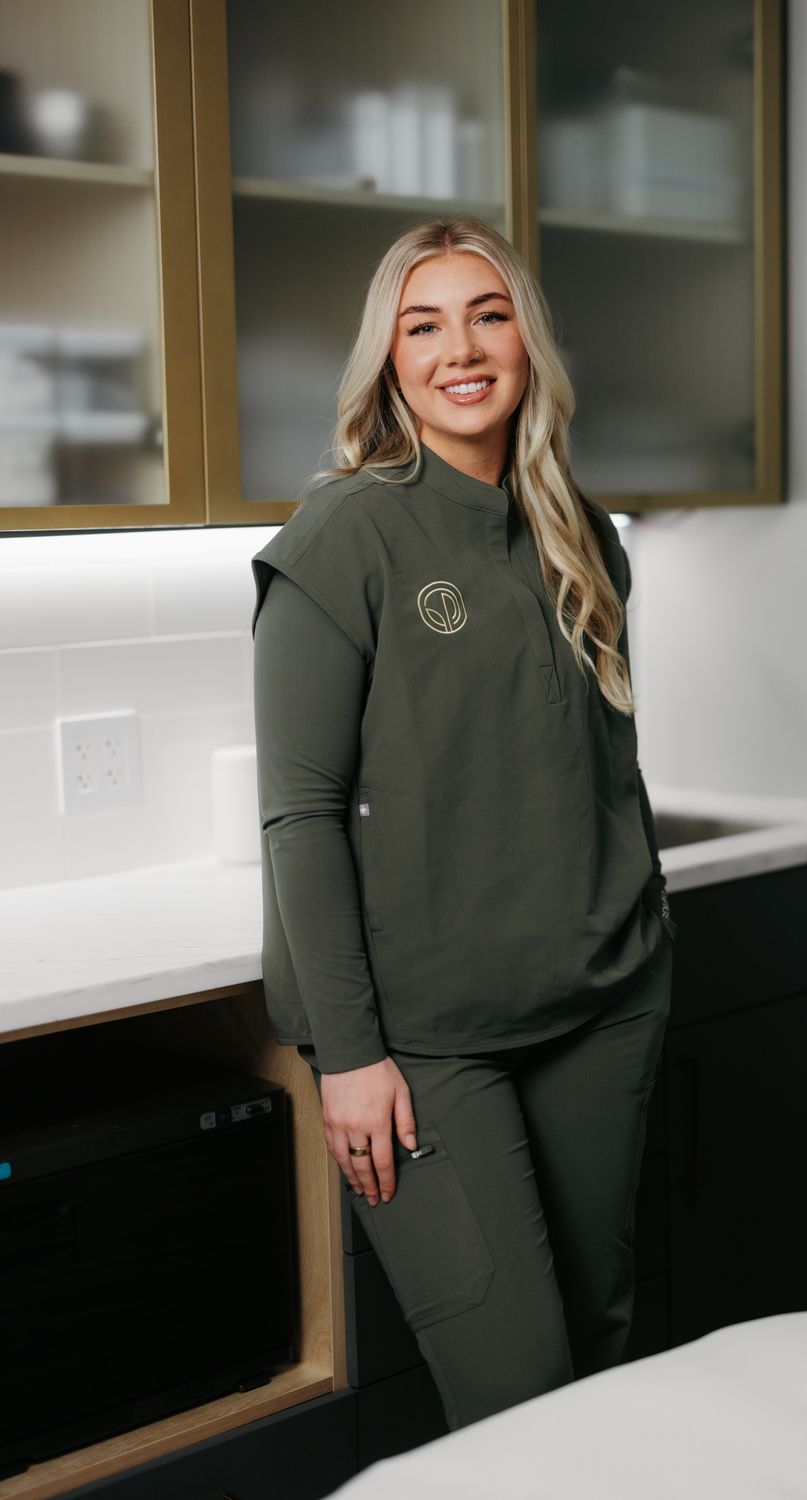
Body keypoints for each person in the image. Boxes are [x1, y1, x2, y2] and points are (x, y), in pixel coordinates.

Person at [250, 215, 678, 1432]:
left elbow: (603, 763)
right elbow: (302, 816)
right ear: (387, 360)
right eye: (422, 324)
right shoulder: (346, 538)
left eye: (487, 315)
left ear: (526, 341)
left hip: (601, 1005)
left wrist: (645, 931)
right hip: (428, 1044)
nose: (460, 349)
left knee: (599, 1355)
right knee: (519, 1395)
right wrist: (348, 1055)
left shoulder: (578, 534)